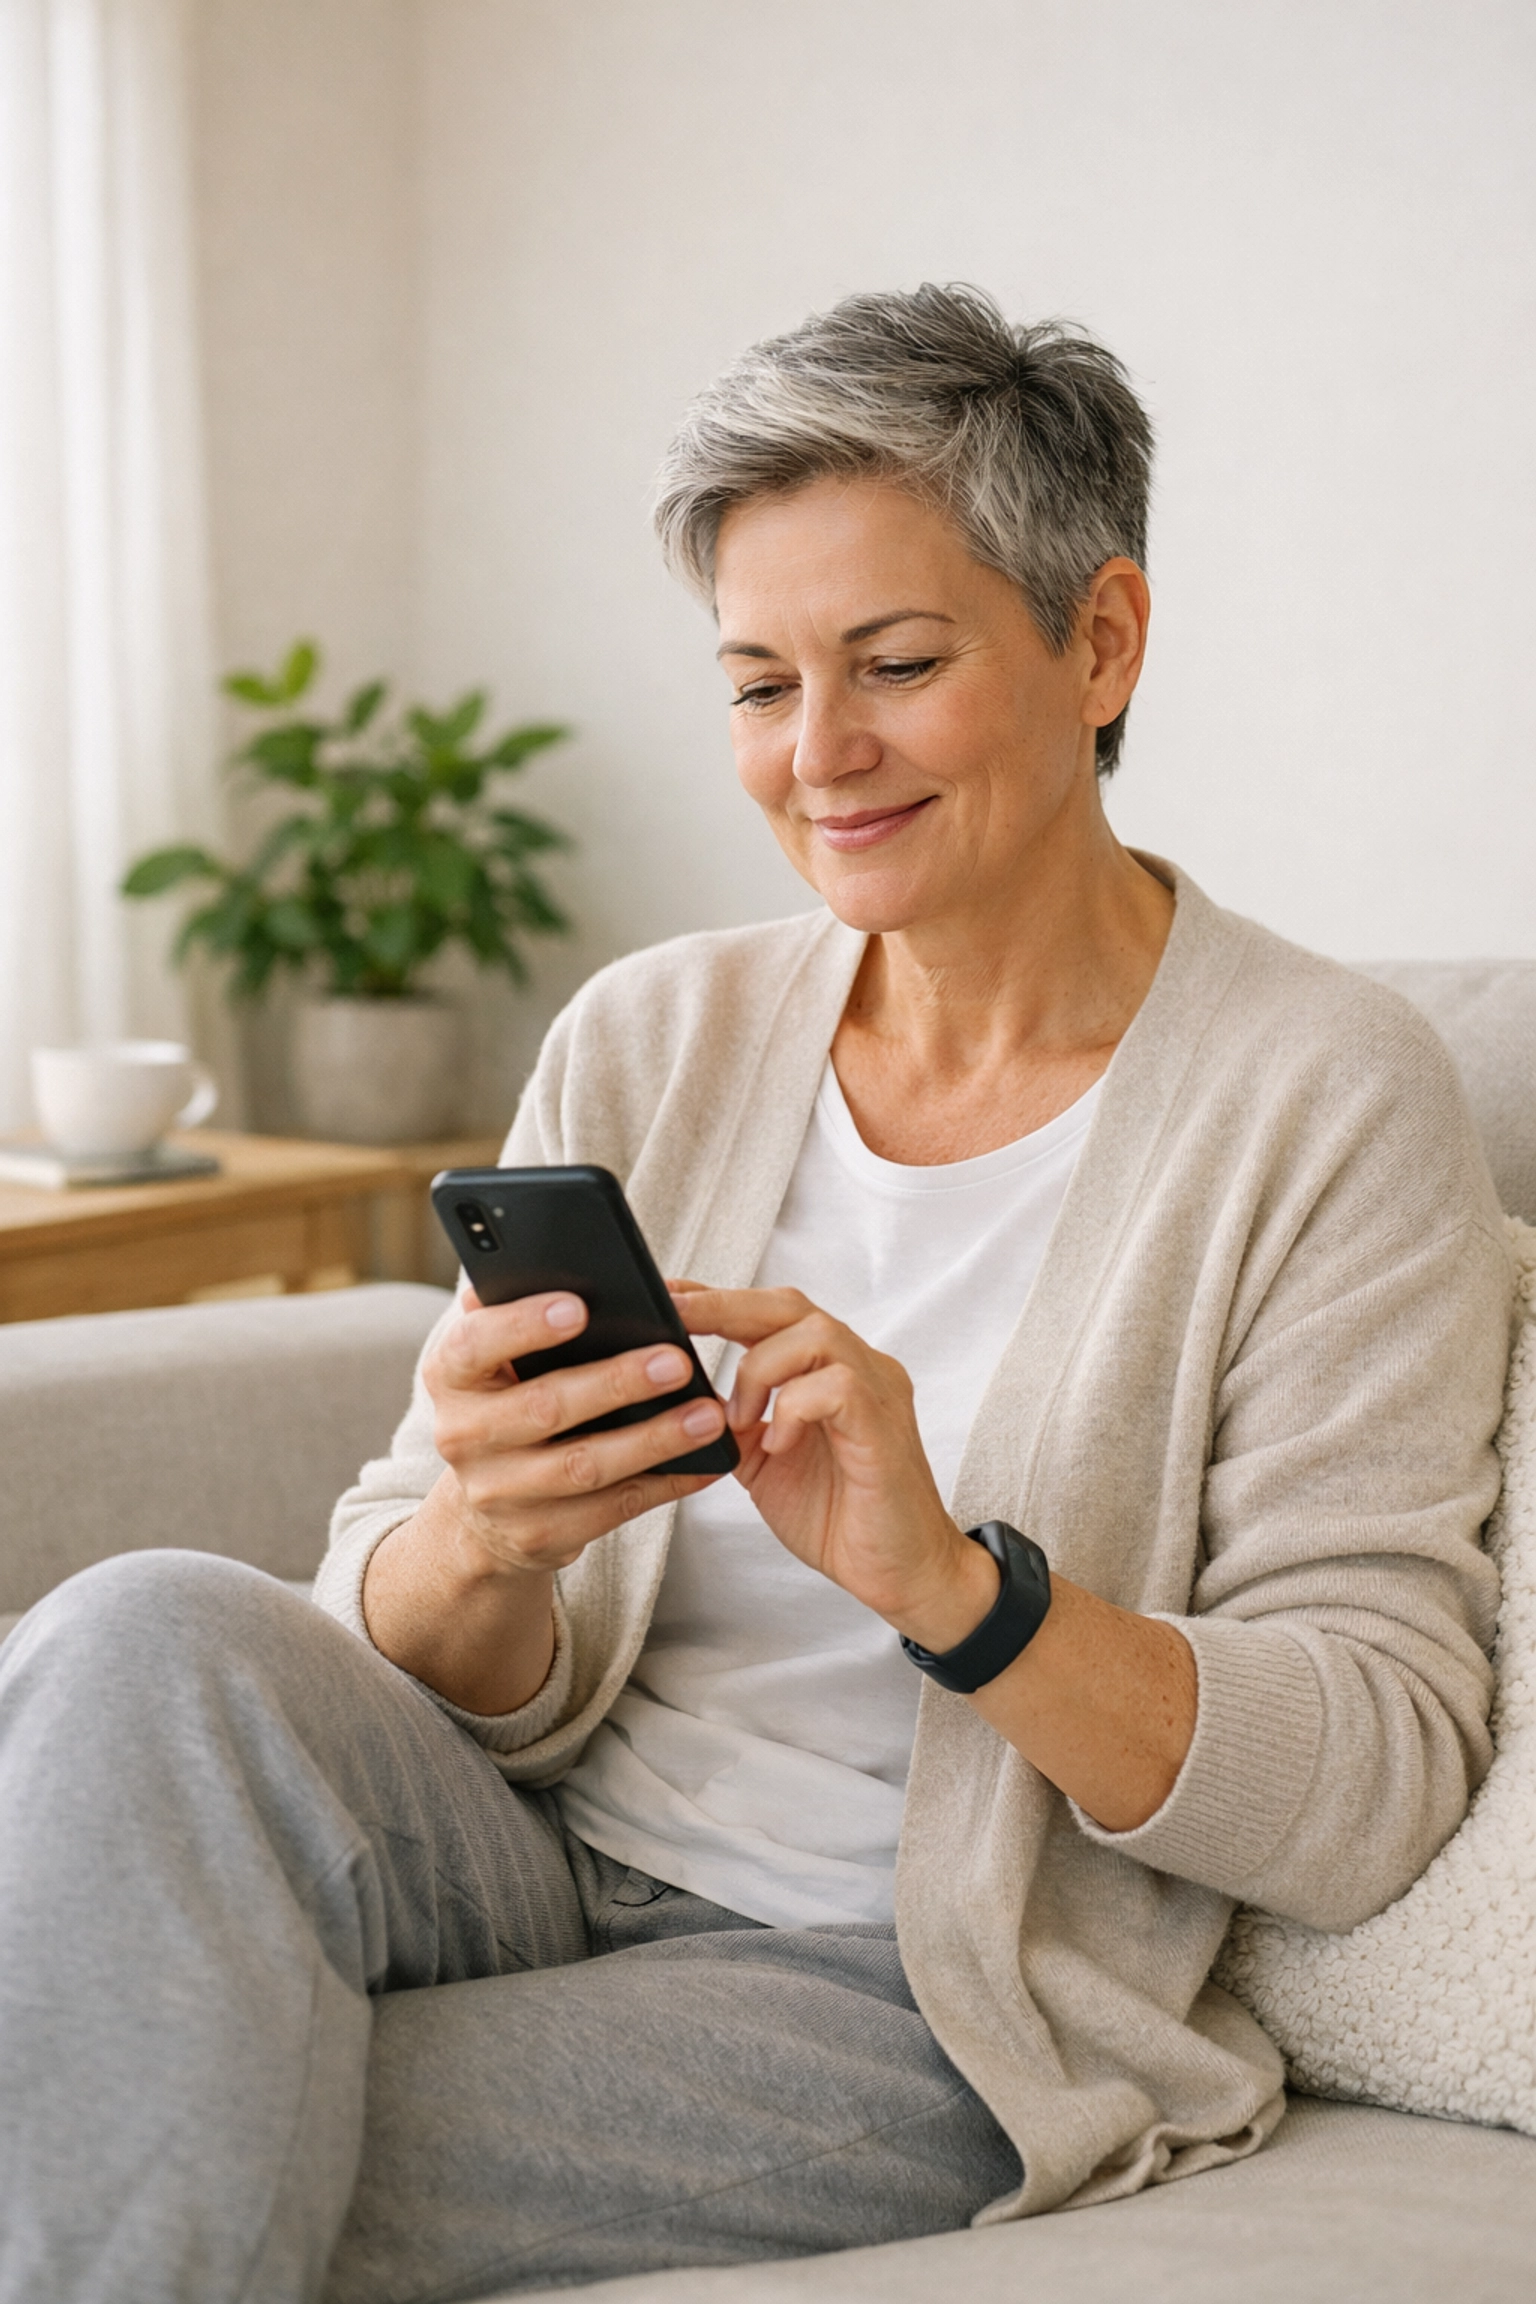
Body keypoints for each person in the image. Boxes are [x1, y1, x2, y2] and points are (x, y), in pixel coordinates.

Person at [0, 285, 1513, 2304]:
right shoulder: (657, 1031)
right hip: (528, 1842)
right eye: (755, 685)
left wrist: (956, 1590)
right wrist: (487, 1537)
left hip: (908, 1986)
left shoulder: (1324, 1099)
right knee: (133, 1634)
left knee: (149, 2089)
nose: (819, 757)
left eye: (894, 663)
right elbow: (409, 1603)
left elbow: (1373, 1783)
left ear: (1102, 640)